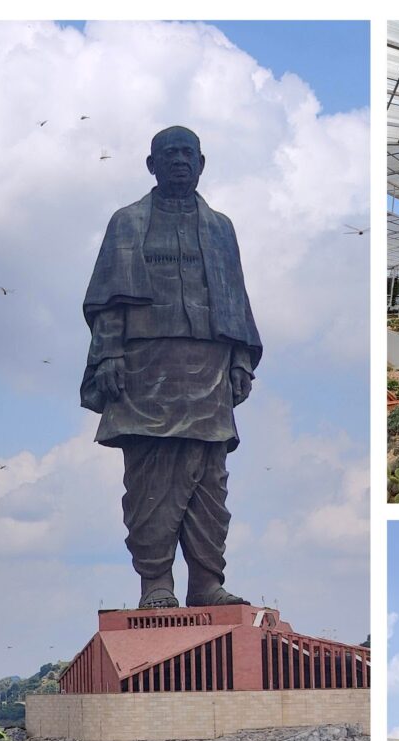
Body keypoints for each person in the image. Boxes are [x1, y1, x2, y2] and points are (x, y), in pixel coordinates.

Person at [80, 125, 261, 609]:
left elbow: (235, 300)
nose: (179, 161)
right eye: (169, 154)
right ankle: (155, 583)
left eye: (188, 153)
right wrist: (111, 354)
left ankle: (206, 582)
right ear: (151, 164)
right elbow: (107, 300)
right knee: (149, 479)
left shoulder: (221, 228)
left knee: (210, 478)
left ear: (202, 163)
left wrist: (241, 361)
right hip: (144, 366)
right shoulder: (127, 222)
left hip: (208, 367)